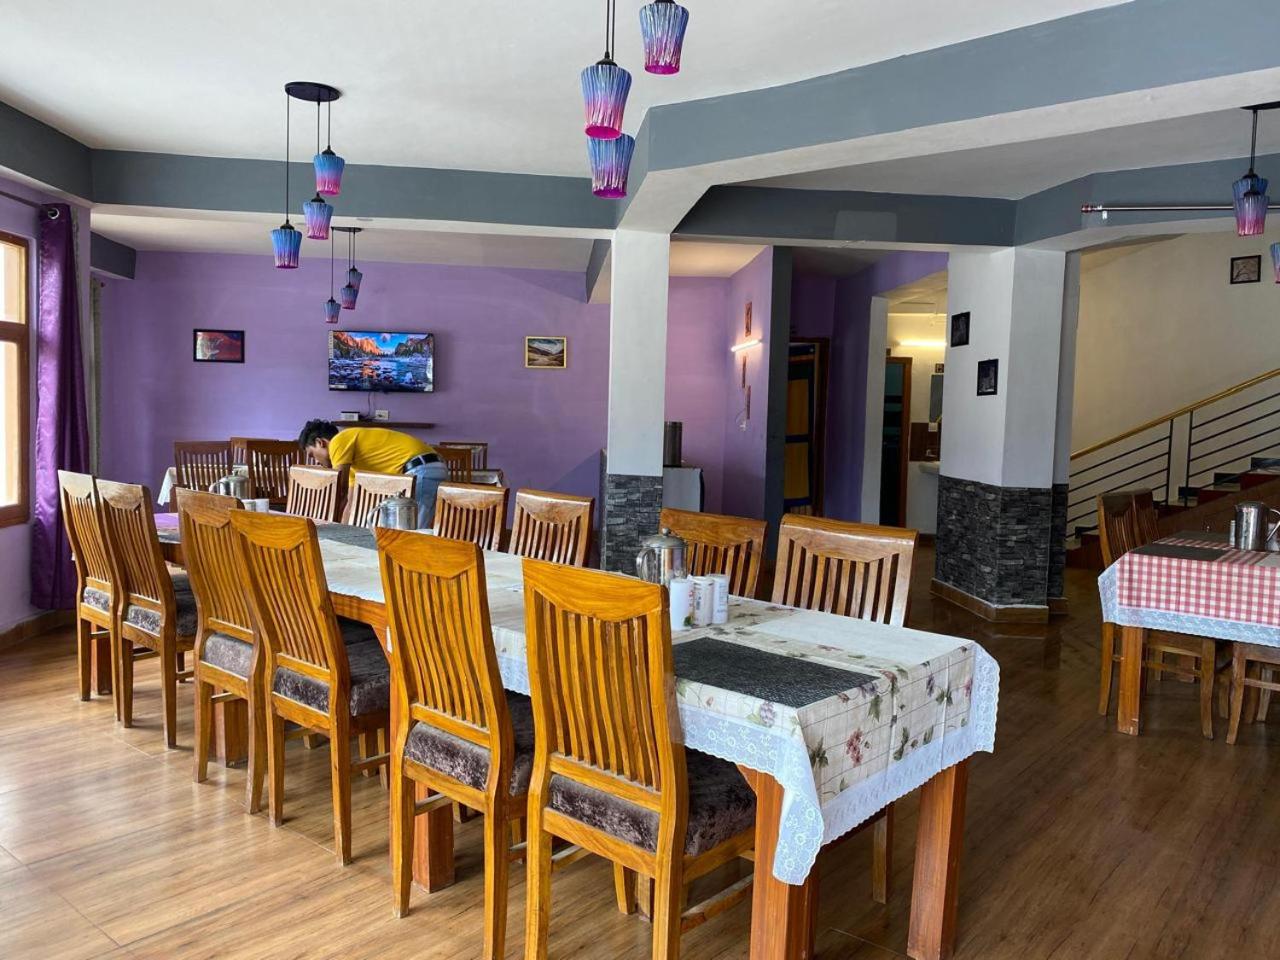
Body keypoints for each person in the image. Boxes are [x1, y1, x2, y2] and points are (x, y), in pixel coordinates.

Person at [298, 420, 447, 528]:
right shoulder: (352, 463)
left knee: (409, 534)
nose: (316, 461)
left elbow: (339, 488)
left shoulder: (338, 441)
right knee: (410, 529)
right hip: (429, 467)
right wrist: (342, 532)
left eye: (312, 454)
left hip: (421, 469)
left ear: (320, 442)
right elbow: (351, 502)